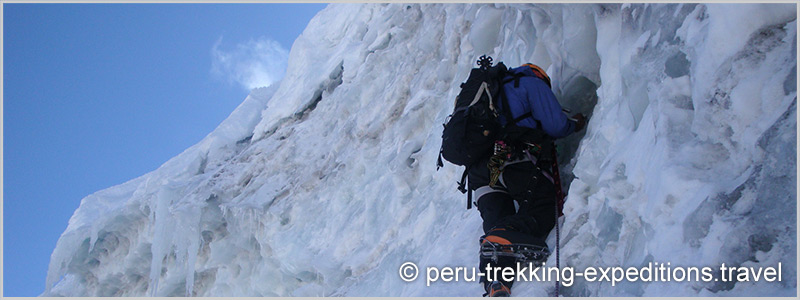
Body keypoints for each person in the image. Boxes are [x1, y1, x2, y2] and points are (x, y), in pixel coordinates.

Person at [469, 63, 586, 297]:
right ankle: (505, 246)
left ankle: (496, 282)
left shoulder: (481, 97)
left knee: (496, 228)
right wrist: (577, 123)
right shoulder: (529, 84)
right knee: (542, 210)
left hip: (479, 171)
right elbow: (556, 125)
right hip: (511, 157)